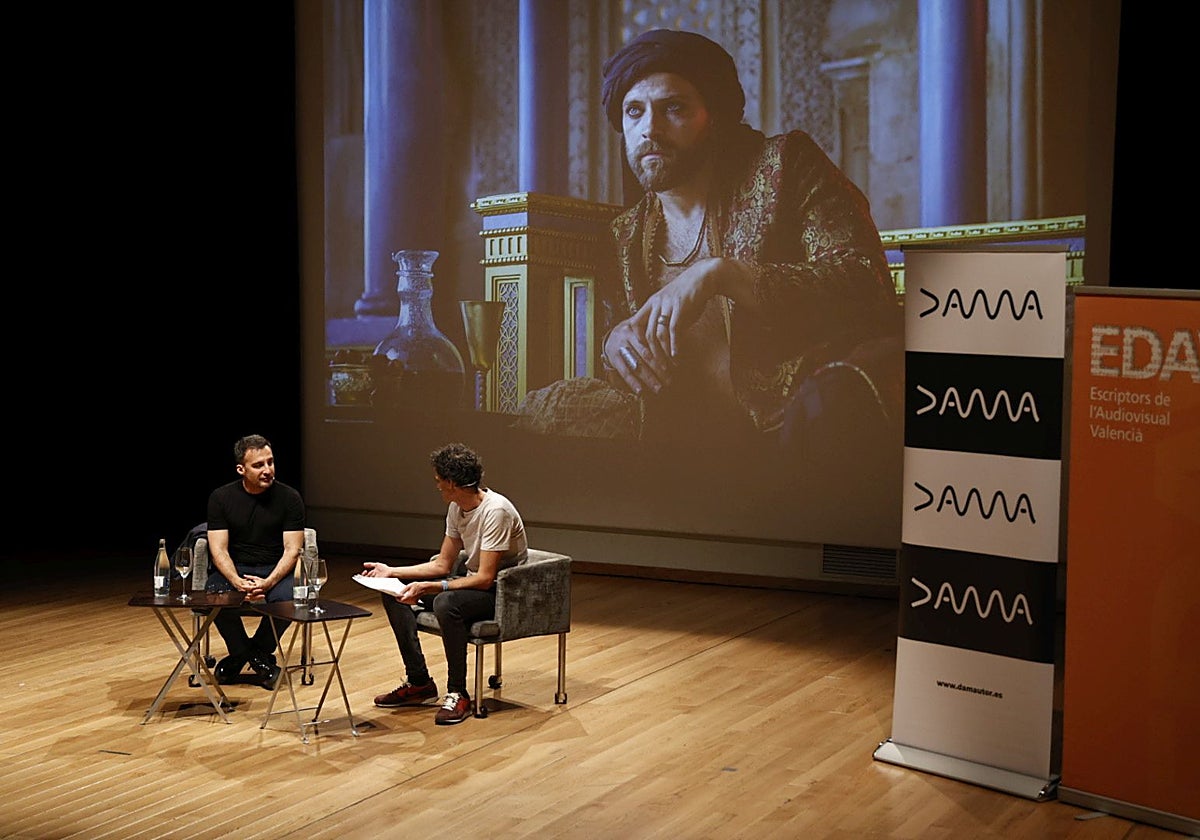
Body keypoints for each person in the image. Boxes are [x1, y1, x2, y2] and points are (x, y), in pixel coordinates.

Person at [514, 29, 903, 465]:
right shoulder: (625, 236)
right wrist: (612, 342)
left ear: (714, 116)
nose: (650, 130)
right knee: (540, 420)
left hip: (797, 425)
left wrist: (722, 274)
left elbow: (863, 282)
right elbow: (621, 343)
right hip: (683, 448)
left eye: (673, 108)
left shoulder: (785, 166)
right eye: (634, 112)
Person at [361, 442, 528, 726]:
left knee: (446, 602)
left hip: (505, 591)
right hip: (476, 584)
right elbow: (442, 565)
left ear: (451, 483)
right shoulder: (457, 507)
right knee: (395, 593)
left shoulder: (496, 510)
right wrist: (391, 572)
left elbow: (486, 577)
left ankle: (458, 692)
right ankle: (419, 682)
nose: (437, 485)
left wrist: (434, 587)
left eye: (439, 481)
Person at [205, 434, 305, 690]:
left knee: (292, 597)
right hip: (236, 569)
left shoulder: (290, 497)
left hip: (275, 570)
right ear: (241, 469)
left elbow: (293, 550)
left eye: (270, 462)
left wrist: (269, 582)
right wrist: (236, 581)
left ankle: (253, 653)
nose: (267, 470)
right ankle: (251, 656)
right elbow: (218, 550)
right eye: (259, 465)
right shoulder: (221, 497)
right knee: (213, 596)